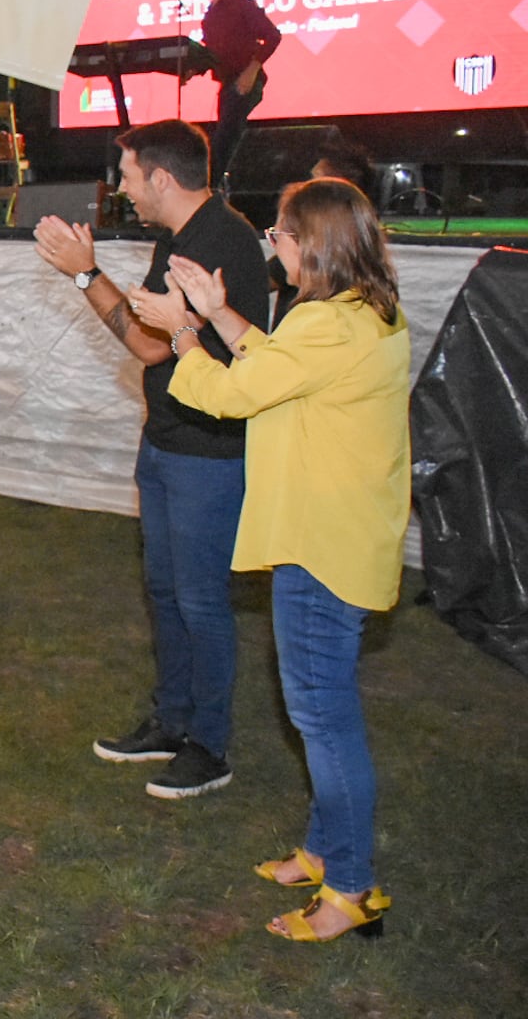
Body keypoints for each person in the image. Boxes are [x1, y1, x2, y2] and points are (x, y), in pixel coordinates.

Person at [160, 178, 409, 942]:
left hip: (320, 546)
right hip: (337, 536)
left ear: (315, 244)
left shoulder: (328, 327)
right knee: (319, 708)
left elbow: (240, 393)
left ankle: (351, 889)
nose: (274, 245)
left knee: (324, 720)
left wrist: (184, 340)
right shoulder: (356, 314)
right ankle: (325, 850)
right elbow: (279, 363)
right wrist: (218, 311)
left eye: (281, 234)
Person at [34, 118, 270, 799]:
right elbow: (149, 339)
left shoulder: (218, 242)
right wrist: (88, 280)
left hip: (209, 453)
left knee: (200, 599)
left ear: (162, 178)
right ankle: (172, 721)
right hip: (168, 441)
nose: (123, 188)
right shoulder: (184, 237)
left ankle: (209, 745)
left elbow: (149, 347)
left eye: (130, 175)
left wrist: (86, 277)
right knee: (166, 591)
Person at [268, 142, 376, 330]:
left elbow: (259, 282)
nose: (305, 188)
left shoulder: (322, 319)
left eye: (314, 182)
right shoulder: (366, 255)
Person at [199, 0, 282, 183]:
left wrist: (252, 68)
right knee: (224, 139)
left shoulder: (241, 5)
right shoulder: (211, 15)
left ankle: (214, 189)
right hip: (228, 83)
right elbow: (213, 54)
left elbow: (272, 36)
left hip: (244, 80)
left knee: (226, 139)